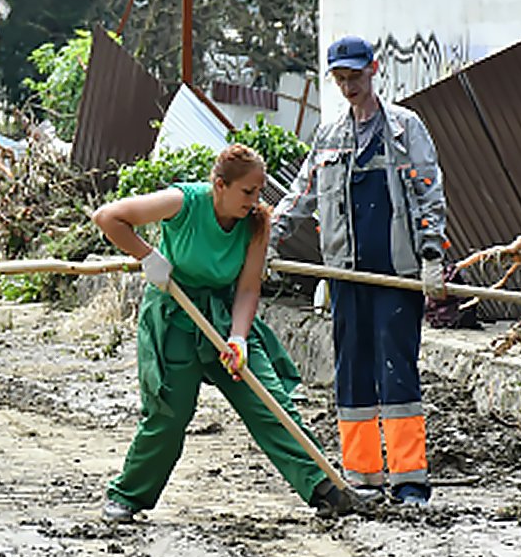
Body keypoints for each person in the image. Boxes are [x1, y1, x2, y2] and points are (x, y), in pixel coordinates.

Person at [93, 143, 358, 522]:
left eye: (259, 191)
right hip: (174, 318)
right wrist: (148, 257)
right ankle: (127, 496)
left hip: (223, 317)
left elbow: (249, 288)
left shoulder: (256, 223)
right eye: (247, 191)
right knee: (168, 414)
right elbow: (109, 217)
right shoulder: (182, 202)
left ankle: (324, 488)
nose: (255, 200)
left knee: (269, 401)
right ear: (219, 185)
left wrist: (238, 338)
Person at [271, 35, 449, 506]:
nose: (349, 87)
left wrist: (431, 255)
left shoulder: (405, 128)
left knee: (397, 368)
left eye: (356, 76)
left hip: (395, 271)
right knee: (353, 370)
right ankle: (363, 473)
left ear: (374, 69)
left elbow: (429, 193)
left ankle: (409, 480)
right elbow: (302, 193)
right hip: (346, 273)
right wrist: (266, 237)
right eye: (341, 79)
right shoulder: (329, 137)